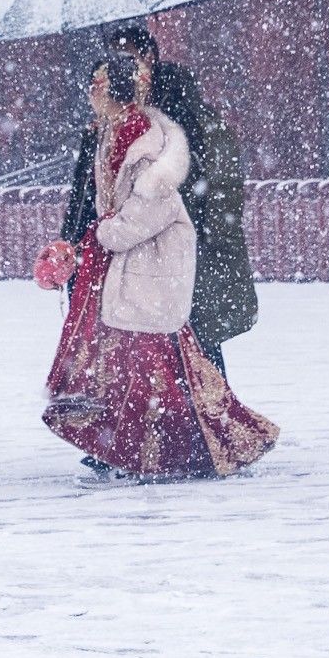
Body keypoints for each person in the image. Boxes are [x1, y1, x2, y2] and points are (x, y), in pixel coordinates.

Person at [38, 51, 277, 480]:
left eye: (97, 84)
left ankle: (208, 442)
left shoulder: (139, 136)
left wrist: (108, 233)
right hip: (123, 260)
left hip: (148, 260)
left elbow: (157, 204)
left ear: (113, 91)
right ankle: (133, 449)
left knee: (154, 361)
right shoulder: (110, 132)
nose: (91, 93)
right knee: (131, 360)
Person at [64, 24, 260, 379]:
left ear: (150, 59)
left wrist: (199, 243)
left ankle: (205, 427)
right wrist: (75, 247)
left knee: (190, 352)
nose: (122, 66)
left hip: (170, 253)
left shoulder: (175, 120)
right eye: (115, 58)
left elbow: (198, 190)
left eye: (130, 56)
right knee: (138, 358)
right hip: (126, 256)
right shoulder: (108, 127)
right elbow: (86, 198)